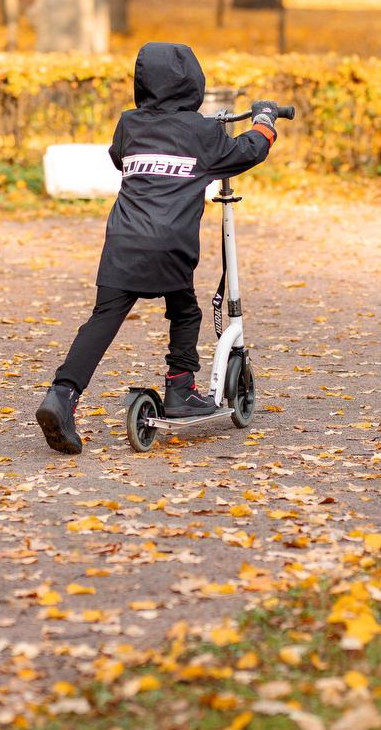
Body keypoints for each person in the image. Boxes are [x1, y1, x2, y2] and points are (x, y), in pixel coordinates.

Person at [36, 42, 282, 455]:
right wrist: (265, 122)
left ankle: (61, 395)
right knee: (185, 309)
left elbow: (119, 157)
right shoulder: (202, 133)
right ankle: (181, 388)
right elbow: (247, 151)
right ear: (192, 84)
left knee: (102, 320)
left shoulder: (129, 125)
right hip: (170, 245)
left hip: (123, 242)